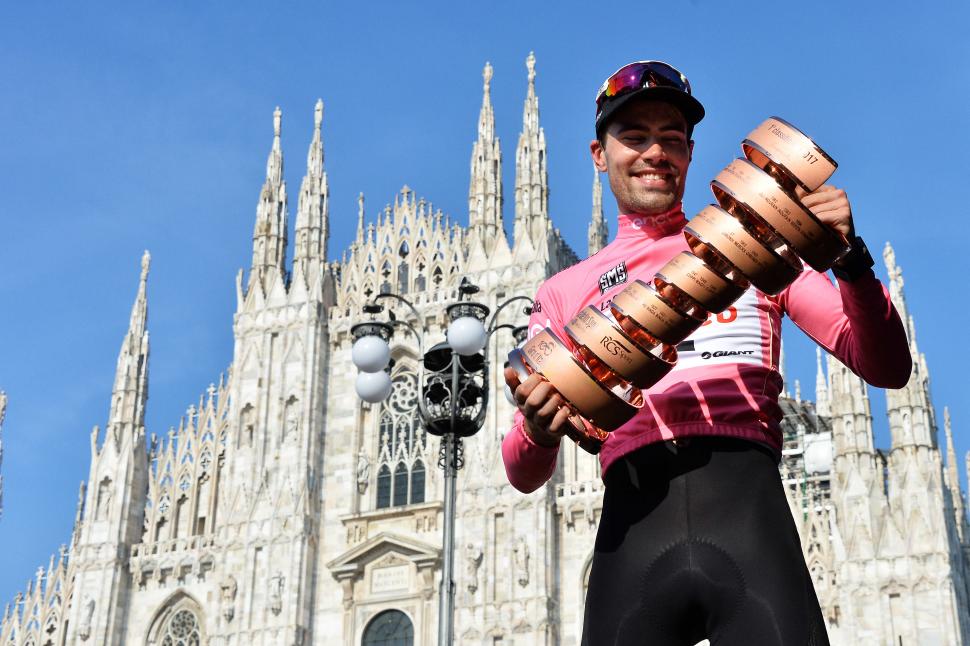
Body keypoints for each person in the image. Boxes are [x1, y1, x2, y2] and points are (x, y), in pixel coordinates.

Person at [501, 60, 911, 645]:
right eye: (634, 137)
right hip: (633, 542)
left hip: (750, 526)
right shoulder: (565, 292)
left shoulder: (753, 247)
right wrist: (540, 430)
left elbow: (886, 366)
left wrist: (851, 263)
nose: (654, 152)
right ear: (599, 154)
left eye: (671, 138)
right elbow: (520, 469)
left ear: (690, 152)